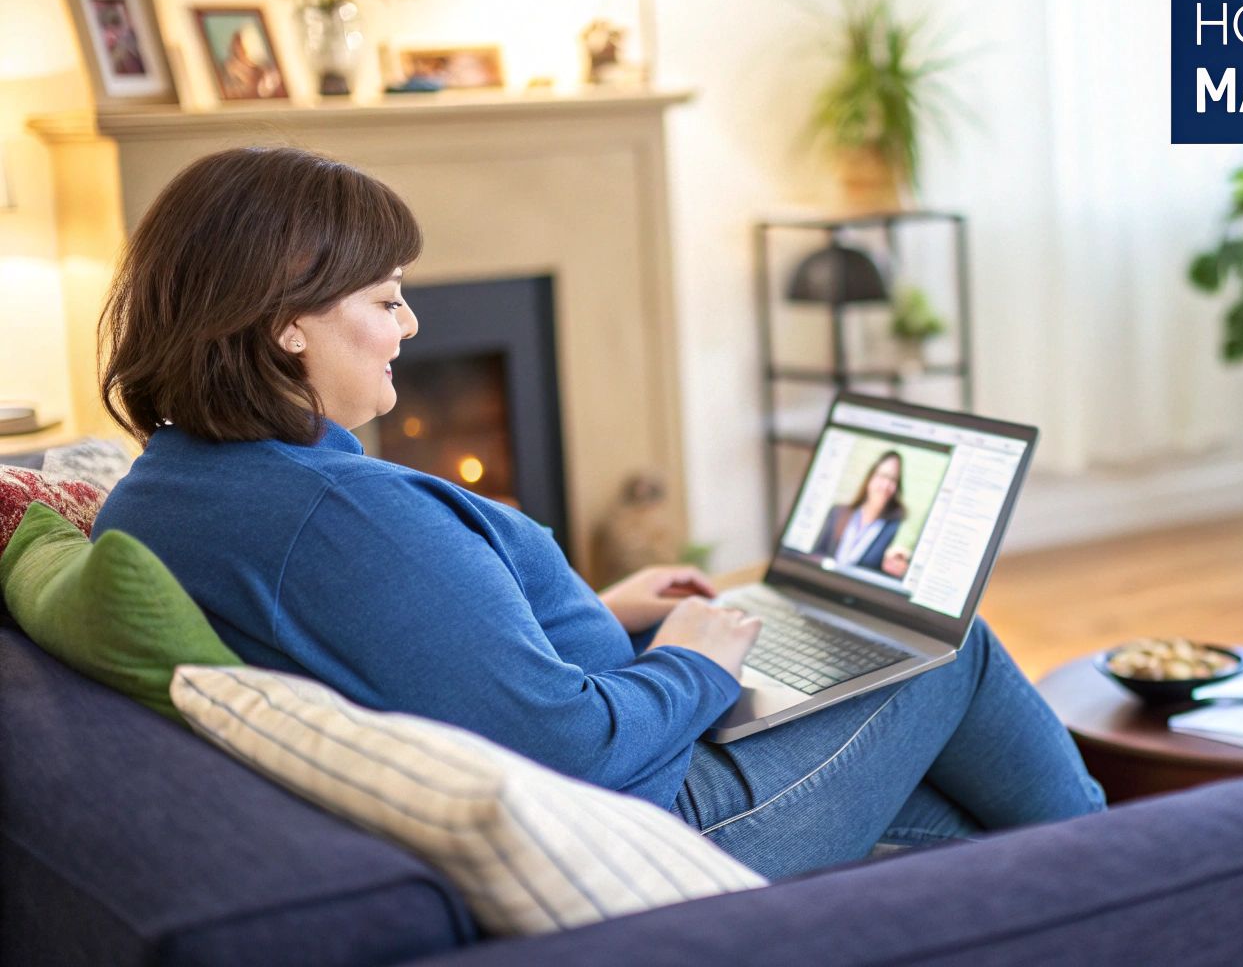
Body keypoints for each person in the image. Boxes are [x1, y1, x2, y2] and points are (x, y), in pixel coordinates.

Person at [93, 147, 1104, 880]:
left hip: (628, 747)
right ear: (284, 326)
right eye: (384, 299)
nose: (409, 326)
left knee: (960, 817)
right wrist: (696, 660)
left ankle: (1073, 892)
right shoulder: (333, 518)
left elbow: (409, 641)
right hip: (661, 812)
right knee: (948, 648)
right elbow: (567, 746)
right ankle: (1146, 868)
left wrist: (597, 612)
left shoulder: (173, 481)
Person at [809, 450, 907, 576]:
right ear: (870, 478)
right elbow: (816, 554)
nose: (886, 485)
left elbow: (881, 572)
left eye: (893, 480)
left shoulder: (891, 527)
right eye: (883, 476)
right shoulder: (838, 513)